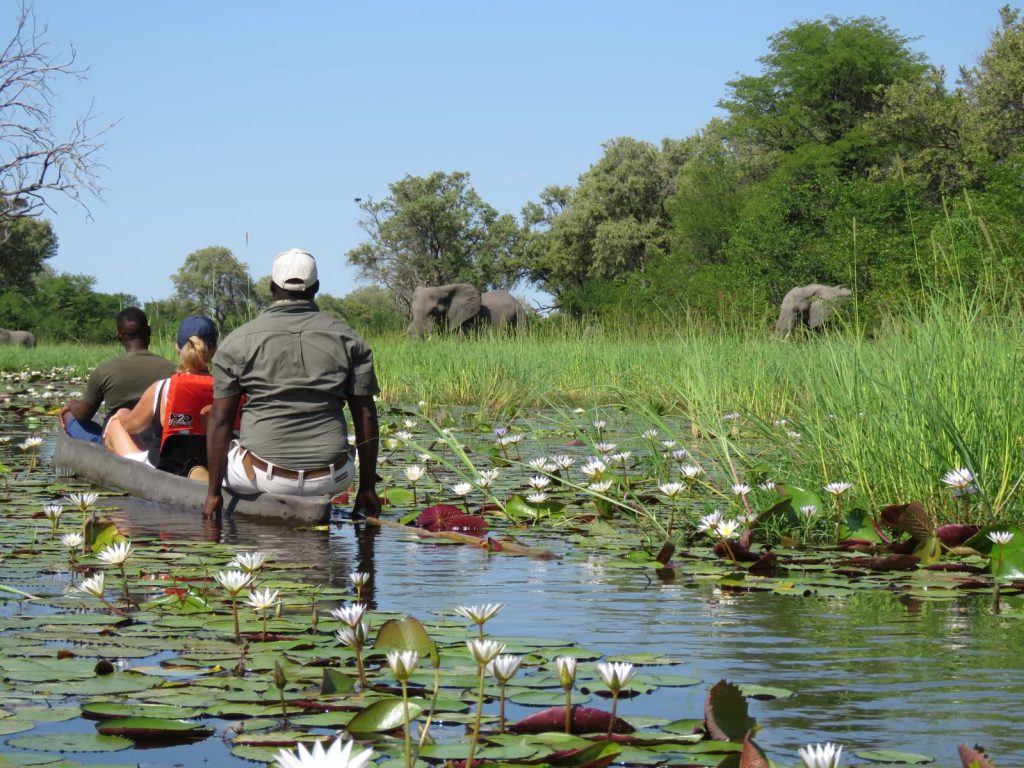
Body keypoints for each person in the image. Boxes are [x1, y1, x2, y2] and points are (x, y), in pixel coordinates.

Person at [203, 248, 381, 517]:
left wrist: (213, 494)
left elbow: (220, 421)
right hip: (332, 477)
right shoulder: (350, 340)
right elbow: (365, 414)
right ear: (316, 287)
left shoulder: (237, 342)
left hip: (262, 477)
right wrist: (367, 488)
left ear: (272, 287)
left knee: (228, 441)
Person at [102, 315, 220, 477]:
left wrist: (123, 414)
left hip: (163, 467)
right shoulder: (225, 389)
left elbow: (131, 426)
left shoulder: (163, 387)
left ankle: (112, 474)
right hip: (211, 464)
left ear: (177, 347)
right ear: (214, 349)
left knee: (115, 423)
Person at [61, 307, 177, 443]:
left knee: (69, 416)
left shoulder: (103, 371)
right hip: (157, 441)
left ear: (118, 335)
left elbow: (84, 416)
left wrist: (71, 405)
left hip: (118, 442)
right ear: (149, 332)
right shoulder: (173, 370)